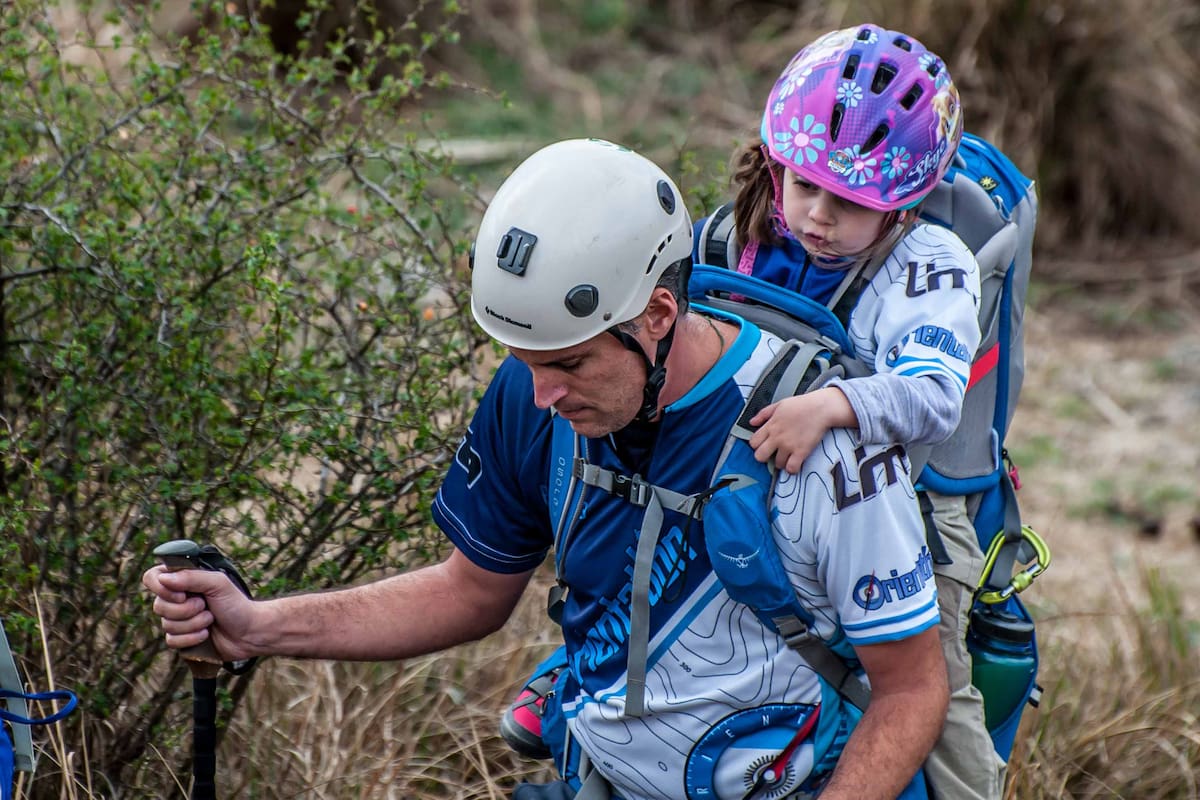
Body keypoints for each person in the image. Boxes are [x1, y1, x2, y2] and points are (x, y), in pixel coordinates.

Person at [143, 137, 948, 800]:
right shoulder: (536, 395)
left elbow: (911, 691)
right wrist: (258, 626)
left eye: (567, 362)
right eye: (521, 361)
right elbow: (470, 591)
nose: (540, 395)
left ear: (659, 315)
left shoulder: (820, 442)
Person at [693, 24, 1000, 800]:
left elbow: (934, 395)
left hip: (913, 499)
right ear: (776, 164)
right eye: (804, 185)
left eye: (851, 201)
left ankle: (967, 789)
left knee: (937, 681)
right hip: (745, 472)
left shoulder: (931, 266)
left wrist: (832, 406)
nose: (819, 214)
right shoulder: (739, 232)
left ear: (901, 207)